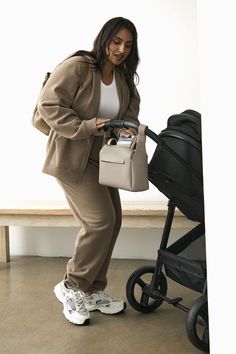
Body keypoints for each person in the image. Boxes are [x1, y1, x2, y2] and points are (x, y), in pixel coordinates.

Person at [38, 17, 140, 326]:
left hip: (105, 160)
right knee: (100, 221)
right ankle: (71, 285)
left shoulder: (123, 77)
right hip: (72, 158)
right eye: (116, 41)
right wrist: (84, 126)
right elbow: (49, 104)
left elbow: (130, 113)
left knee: (114, 221)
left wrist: (127, 133)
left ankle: (94, 290)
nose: (121, 49)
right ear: (105, 39)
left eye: (128, 44)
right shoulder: (80, 67)